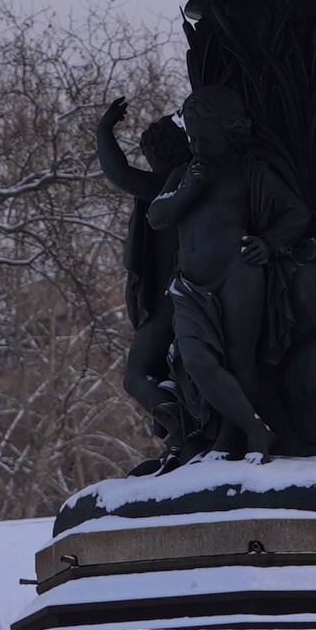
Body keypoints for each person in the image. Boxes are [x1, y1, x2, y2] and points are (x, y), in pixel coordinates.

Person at [146, 85, 309, 457]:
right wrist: (189, 188)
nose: (199, 146)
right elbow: (157, 215)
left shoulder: (250, 173)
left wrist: (268, 242)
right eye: (193, 138)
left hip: (238, 272)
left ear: (232, 132)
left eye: (208, 137)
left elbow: (296, 214)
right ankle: (254, 428)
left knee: (239, 359)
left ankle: (229, 440)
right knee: (196, 359)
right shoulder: (186, 174)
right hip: (190, 285)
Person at [95, 98, 197, 454]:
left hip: (170, 302)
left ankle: (182, 429)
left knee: (136, 376)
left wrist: (104, 131)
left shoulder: (166, 187)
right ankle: (183, 426)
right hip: (182, 296)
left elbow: (118, 173)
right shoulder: (187, 186)